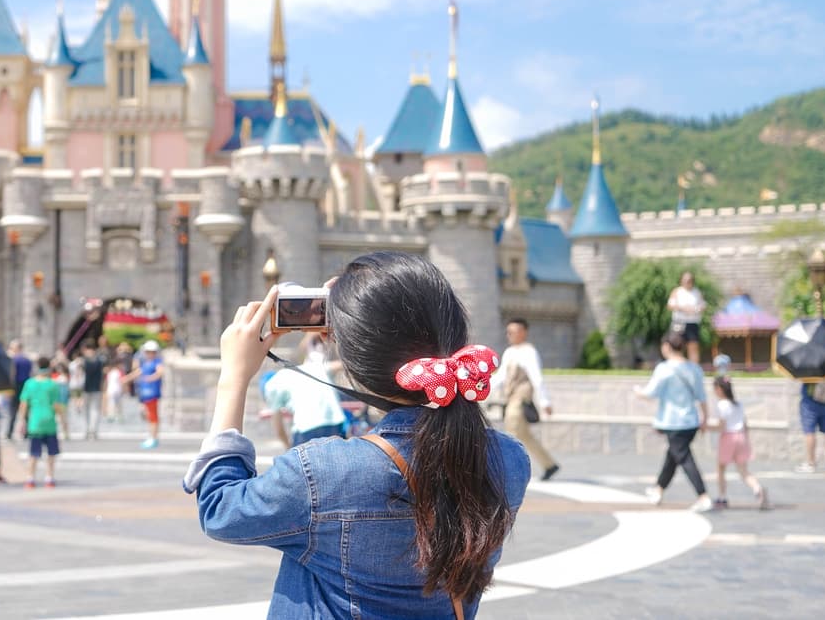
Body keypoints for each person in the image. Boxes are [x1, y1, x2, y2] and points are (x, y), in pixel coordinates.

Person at [183, 252, 529, 618]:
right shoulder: (510, 461)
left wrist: (233, 378)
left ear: (354, 361)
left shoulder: (322, 474)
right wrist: (357, 318)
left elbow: (220, 509)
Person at [635, 330, 714, 512]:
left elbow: (650, 393)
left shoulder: (664, 369)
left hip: (673, 422)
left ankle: (703, 496)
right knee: (673, 456)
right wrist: (705, 418)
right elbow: (702, 397)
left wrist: (638, 392)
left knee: (684, 458)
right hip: (691, 421)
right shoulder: (694, 368)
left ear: (667, 346)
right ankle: (658, 489)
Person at [490, 317, 560, 481]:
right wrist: (481, 389)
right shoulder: (509, 352)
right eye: (508, 332)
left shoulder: (529, 352)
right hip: (510, 397)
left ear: (524, 332)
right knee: (523, 435)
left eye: (513, 332)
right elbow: (500, 376)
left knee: (512, 432)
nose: (510, 335)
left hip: (521, 399)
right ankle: (549, 465)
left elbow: (537, 378)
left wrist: (545, 402)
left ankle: (509, 471)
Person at [263, 338, 347, 447]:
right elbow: (341, 364)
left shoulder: (273, 385)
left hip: (306, 427)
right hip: (334, 422)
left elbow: (278, 426)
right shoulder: (317, 367)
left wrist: (288, 447)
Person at [707, 376, 768, 509]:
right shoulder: (738, 404)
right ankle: (757, 488)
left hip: (728, 437)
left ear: (719, 389)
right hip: (741, 436)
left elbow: (721, 426)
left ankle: (722, 497)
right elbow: (745, 424)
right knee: (743, 470)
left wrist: (706, 427)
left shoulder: (722, 405)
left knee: (721, 468)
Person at [18, 356, 65, 488]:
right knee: (51, 454)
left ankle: (30, 478)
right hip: (50, 422)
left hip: (35, 422)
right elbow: (56, 405)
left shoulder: (29, 383)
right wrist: (63, 421)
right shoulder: (53, 384)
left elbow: (24, 404)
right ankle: (49, 477)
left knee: (33, 453)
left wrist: (21, 421)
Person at [124, 340, 164, 449]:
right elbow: (137, 372)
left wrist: (150, 378)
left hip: (152, 393)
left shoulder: (157, 361)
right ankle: (151, 436)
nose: (149, 354)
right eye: (147, 352)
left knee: (153, 416)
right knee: (149, 415)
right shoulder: (146, 363)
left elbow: (160, 372)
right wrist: (126, 379)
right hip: (145, 393)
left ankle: (153, 438)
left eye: (151, 352)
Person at [797, 376, 825, 473]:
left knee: (809, 432)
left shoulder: (810, 371)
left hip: (810, 402)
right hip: (824, 402)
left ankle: (811, 463)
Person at [667, 271, 707, 364]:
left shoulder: (697, 292)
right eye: (685, 280)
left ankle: (693, 367)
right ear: (681, 280)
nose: (687, 282)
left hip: (692, 323)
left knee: (693, 346)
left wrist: (695, 309)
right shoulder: (677, 291)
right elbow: (670, 305)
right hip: (679, 322)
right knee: (676, 345)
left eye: (689, 280)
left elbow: (703, 306)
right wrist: (683, 308)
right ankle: (676, 366)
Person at [4, 340, 32, 440]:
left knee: (13, 410)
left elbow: (12, 374)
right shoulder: (28, 360)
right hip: (26, 386)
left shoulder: (13, 360)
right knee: (26, 410)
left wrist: (8, 389)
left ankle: (10, 432)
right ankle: (27, 432)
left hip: (16, 386)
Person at [79, 341, 105, 440]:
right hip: (96, 387)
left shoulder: (83, 361)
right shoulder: (100, 360)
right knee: (95, 409)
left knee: (86, 410)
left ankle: (87, 430)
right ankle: (93, 430)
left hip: (86, 388)